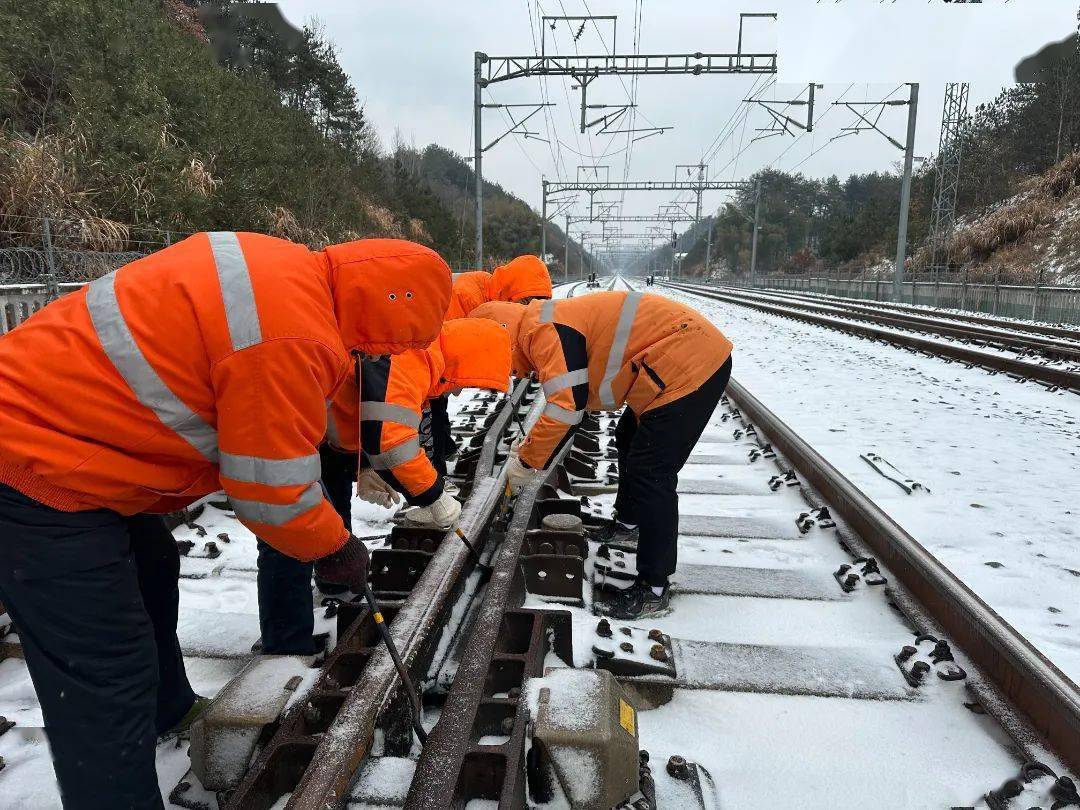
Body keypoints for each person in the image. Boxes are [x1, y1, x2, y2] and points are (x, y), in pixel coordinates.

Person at [0, 232, 452, 809]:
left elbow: (301, 417)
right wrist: (336, 549)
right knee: (106, 669)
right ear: (381, 316)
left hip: (73, 438)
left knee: (154, 564)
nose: (368, 359)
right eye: (376, 349)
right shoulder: (292, 335)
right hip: (33, 464)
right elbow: (270, 490)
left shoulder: (290, 274)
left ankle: (168, 709)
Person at [255, 318, 512, 654]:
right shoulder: (412, 361)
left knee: (329, 512)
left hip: (316, 431)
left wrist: (363, 463)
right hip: (285, 427)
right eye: (466, 383)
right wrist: (433, 497)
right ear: (464, 362)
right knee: (289, 535)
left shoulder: (422, 357)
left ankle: (335, 584)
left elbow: (361, 401)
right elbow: (392, 440)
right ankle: (286, 646)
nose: (460, 392)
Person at [473, 291, 733, 620]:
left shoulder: (545, 334)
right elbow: (573, 403)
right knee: (628, 436)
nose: (509, 373)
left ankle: (653, 588)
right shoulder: (539, 325)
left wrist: (525, 463)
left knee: (652, 471)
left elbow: (566, 408)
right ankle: (627, 525)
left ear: (501, 340)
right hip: (676, 356)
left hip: (691, 361)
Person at [430, 254, 552, 471]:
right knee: (434, 402)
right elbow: (441, 349)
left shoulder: (493, 294)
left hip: (440, 370)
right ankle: (434, 467)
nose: (524, 310)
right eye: (524, 302)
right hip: (431, 367)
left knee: (439, 405)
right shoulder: (466, 296)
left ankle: (442, 445)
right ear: (512, 291)